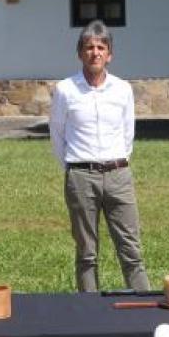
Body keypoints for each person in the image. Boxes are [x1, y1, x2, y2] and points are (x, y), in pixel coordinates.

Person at [50, 21, 150, 293]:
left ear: (109, 54)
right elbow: (57, 134)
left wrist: (115, 162)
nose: (95, 52)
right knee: (86, 252)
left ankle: (144, 304)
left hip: (118, 175)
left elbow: (128, 133)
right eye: (89, 47)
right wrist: (74, 166)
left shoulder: (122, 89)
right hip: (81, 176)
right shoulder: (65, 90)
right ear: (80, 53)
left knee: (131, 250)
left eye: (101, 47)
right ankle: (89, 309)